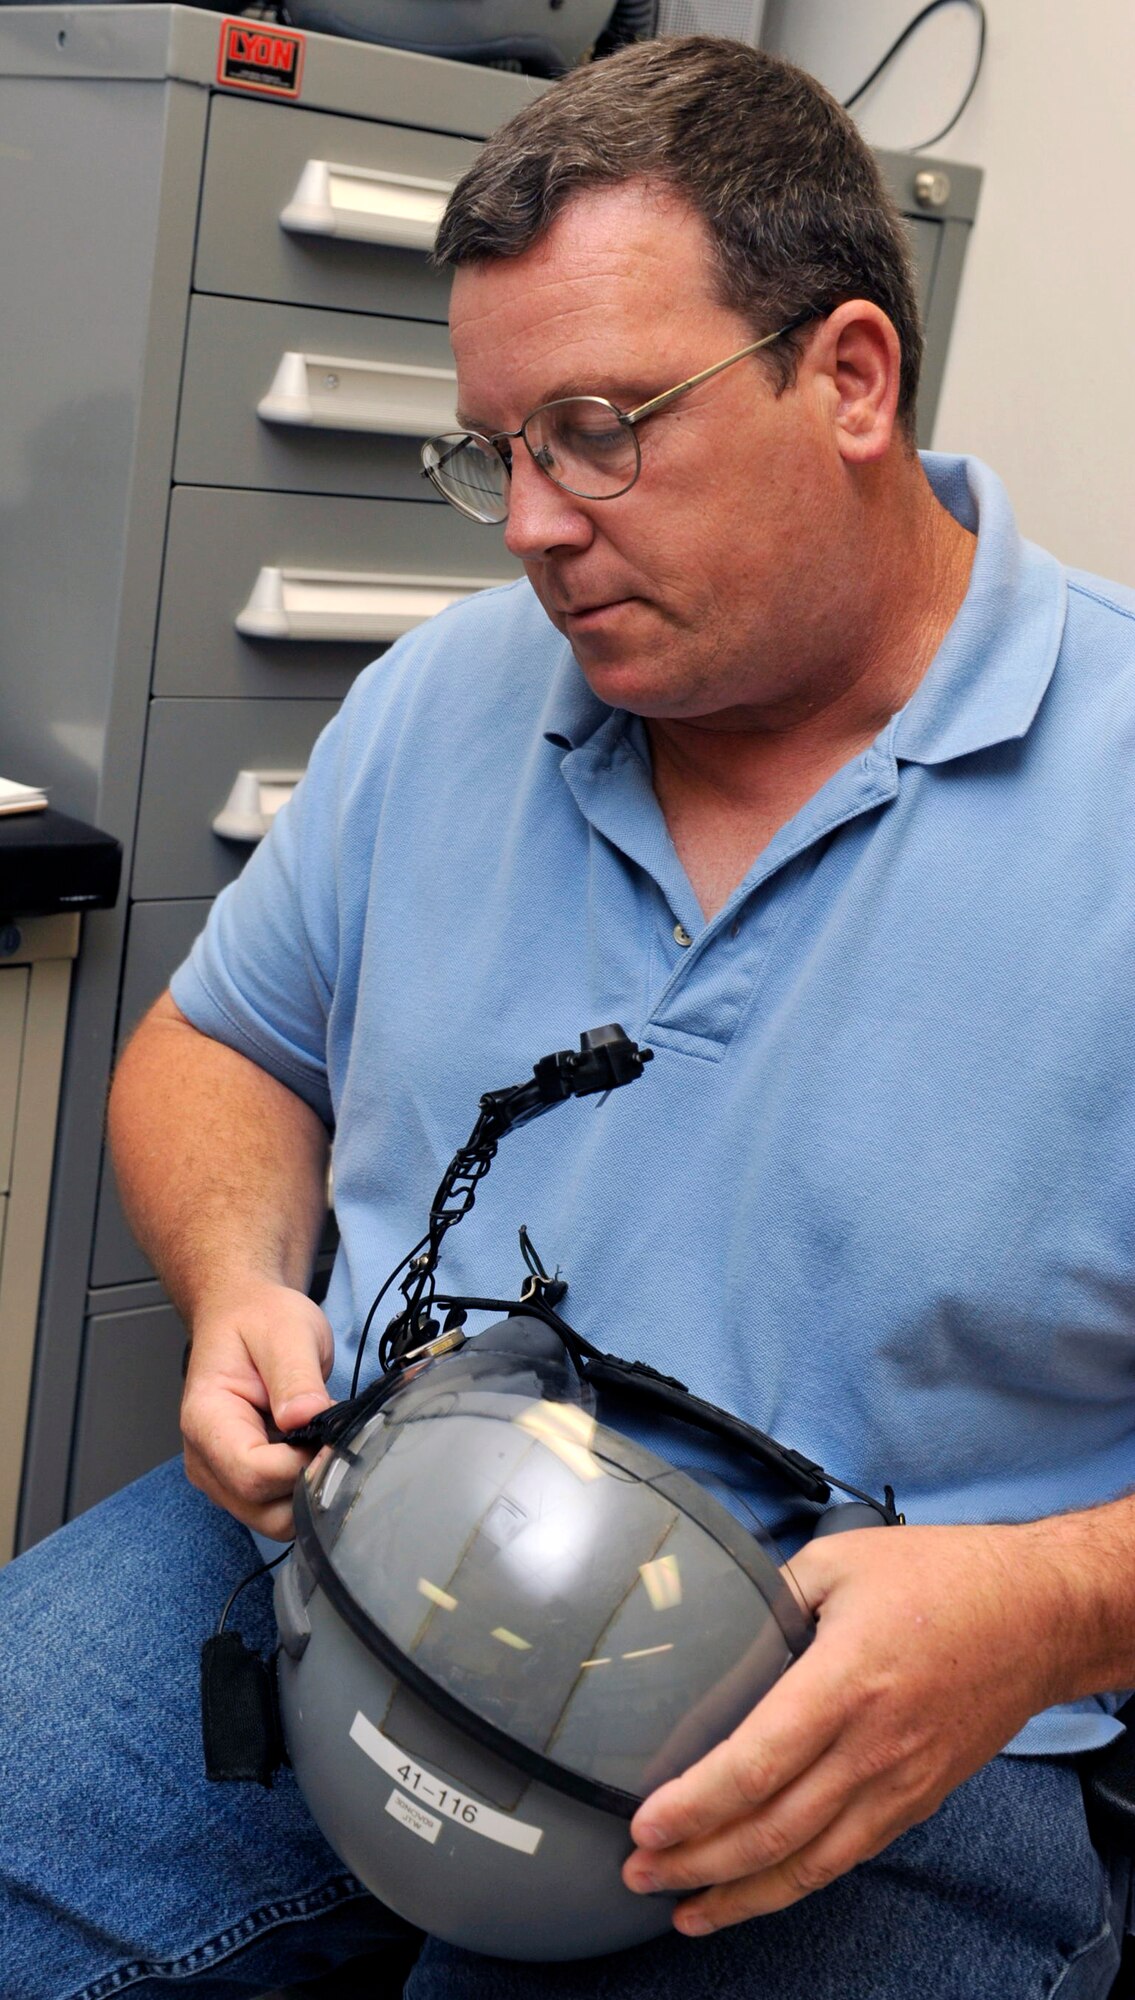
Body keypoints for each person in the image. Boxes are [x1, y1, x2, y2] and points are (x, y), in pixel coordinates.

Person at [3, 33, 1134, 2000]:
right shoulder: (445, 699)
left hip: (870, 1719)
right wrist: (241, 1283)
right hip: (344, 1549)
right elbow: (219, 1050)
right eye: (496, 447)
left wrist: (1044, 1609)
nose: (527, 524)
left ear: (849, 376)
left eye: (599, 429)